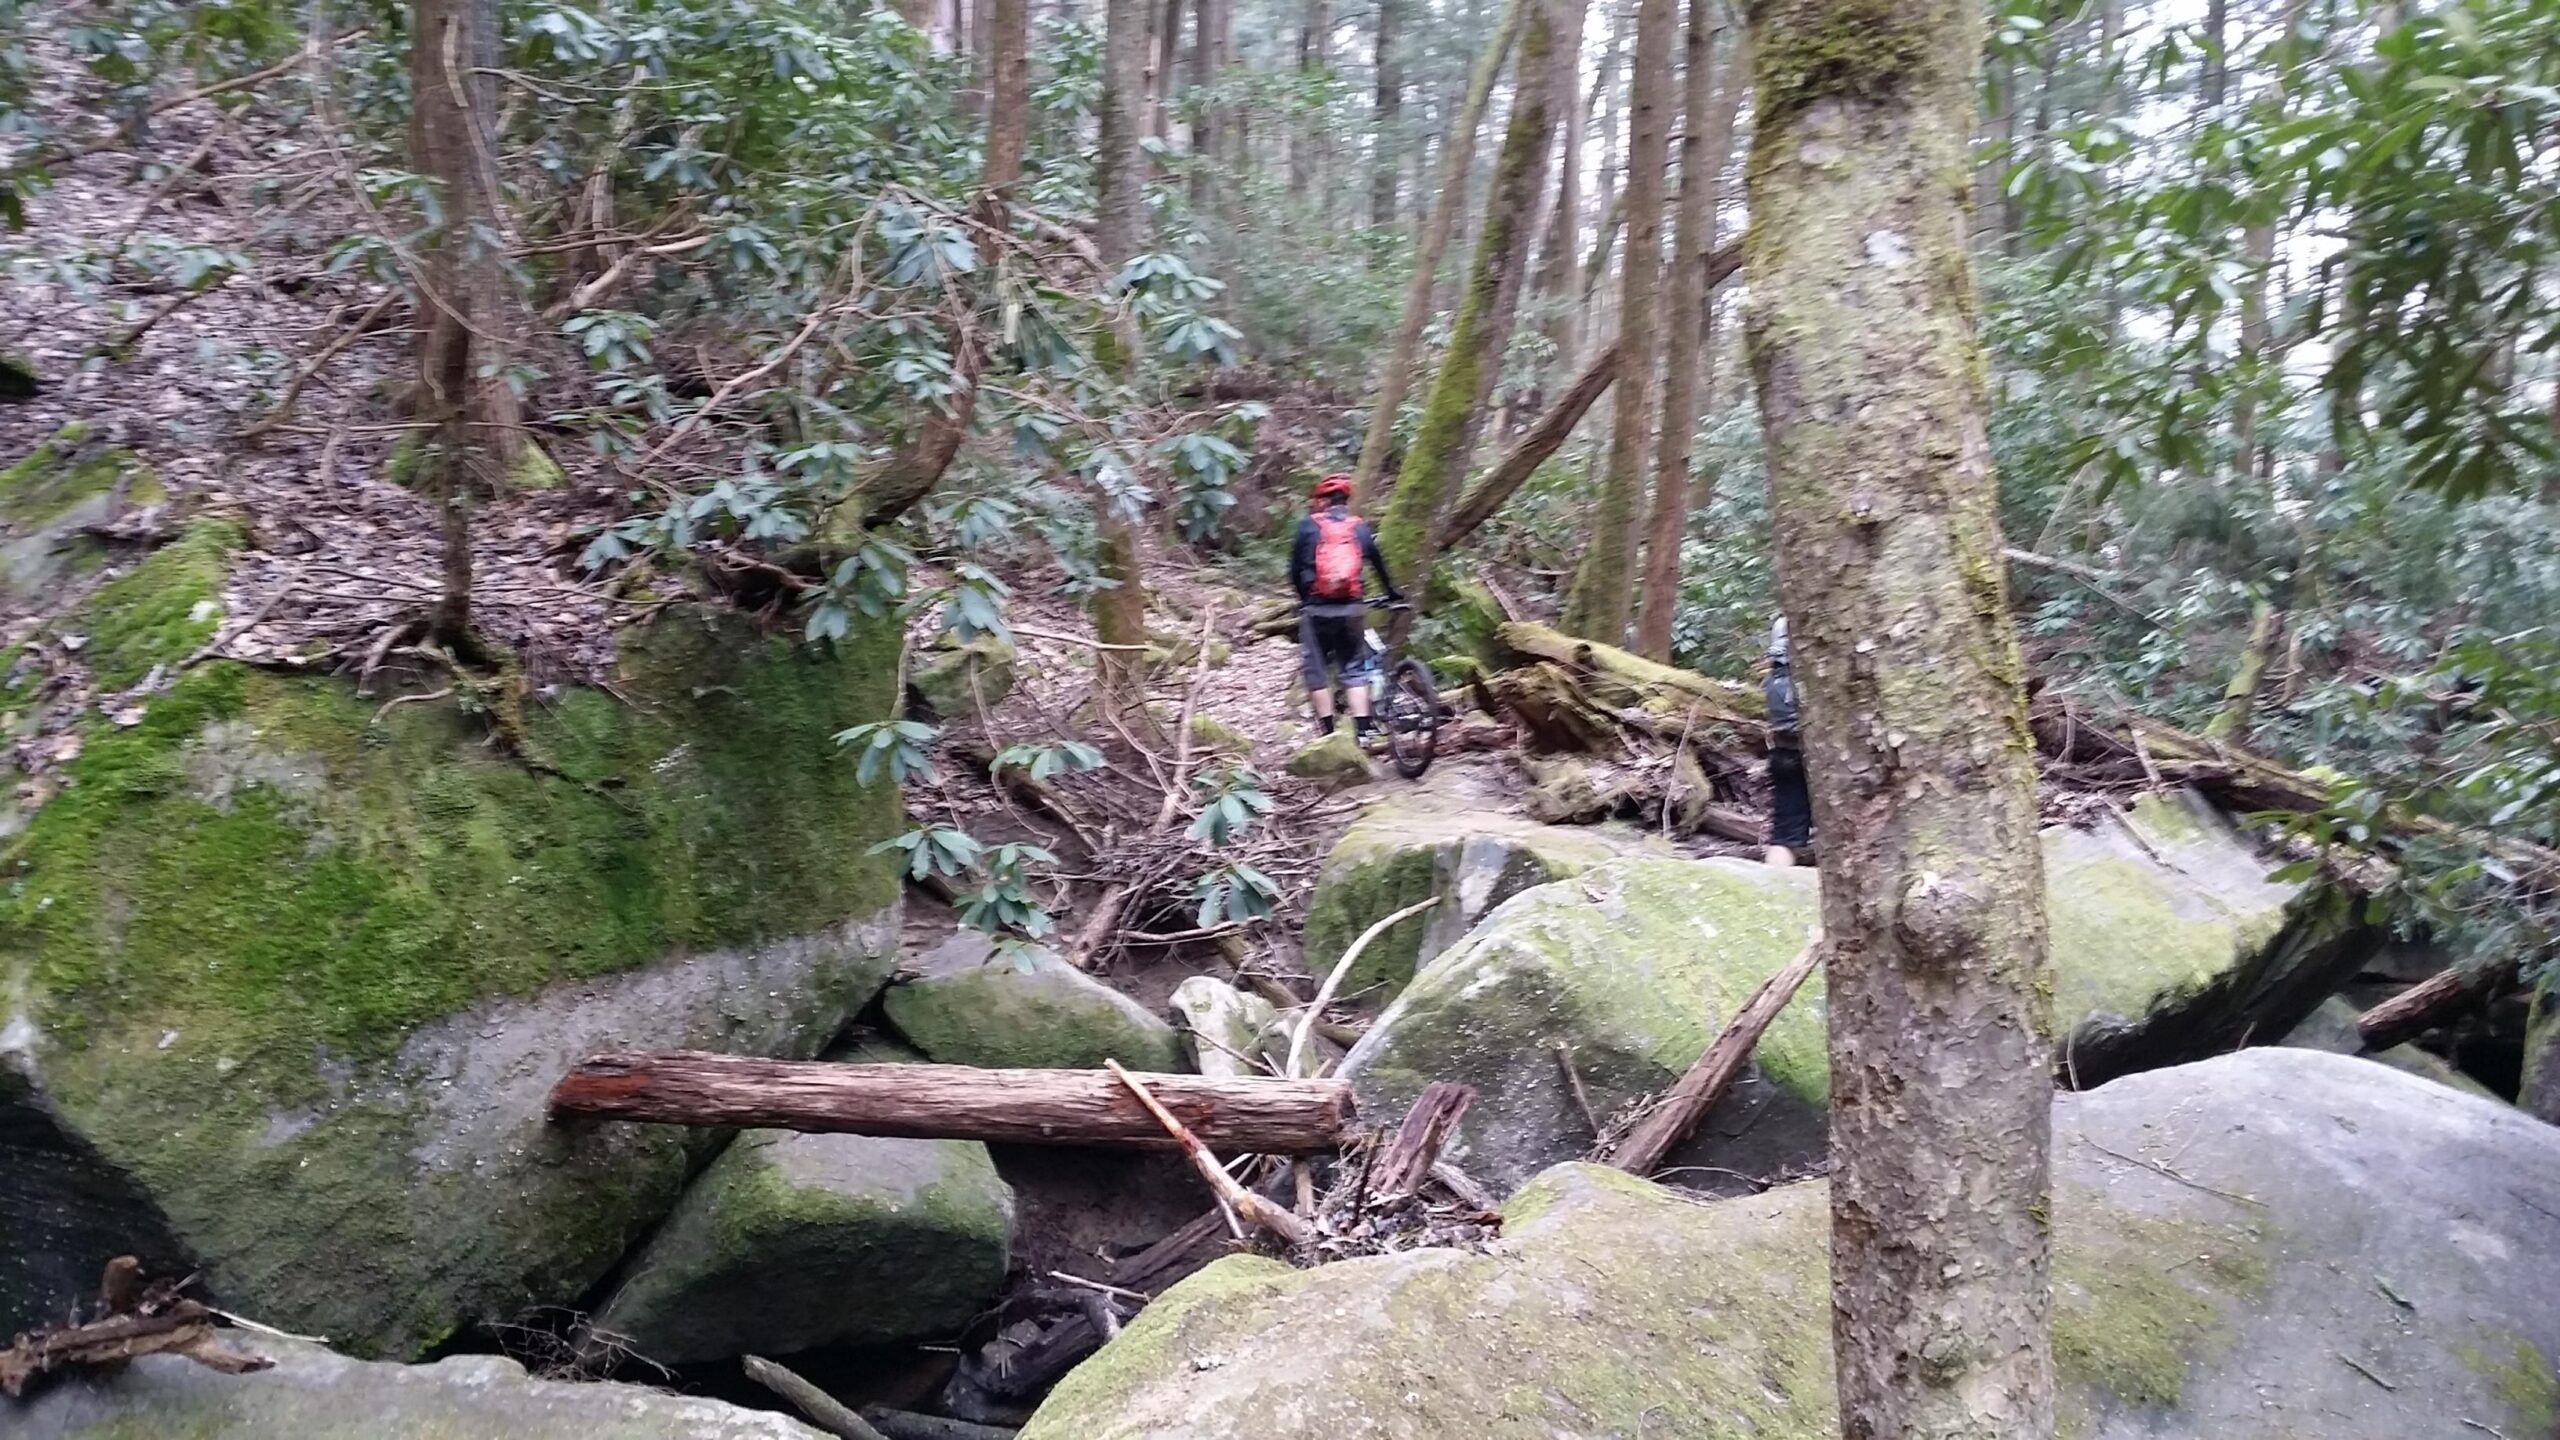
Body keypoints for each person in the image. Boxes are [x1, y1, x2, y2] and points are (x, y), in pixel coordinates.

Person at [1291, 473, 1404, 739]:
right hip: (1352, 609)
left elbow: (1294, 570)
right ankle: (1363, 731)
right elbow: (1378, 564)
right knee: (1354, 669)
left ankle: (1329, 735)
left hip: (1316, 609)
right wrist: (1391, 592)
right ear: (1345, 500)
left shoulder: (1307, 526)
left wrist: (1304, 598)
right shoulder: (1359, 528)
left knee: (1316, 670)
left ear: (1323, 501)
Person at [1764, 614, 1813, 866]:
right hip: (1812, 758)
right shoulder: (1811, 680)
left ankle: (1772, 888)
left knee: (1785, 833)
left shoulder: (1772, 682)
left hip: (1783, 754)